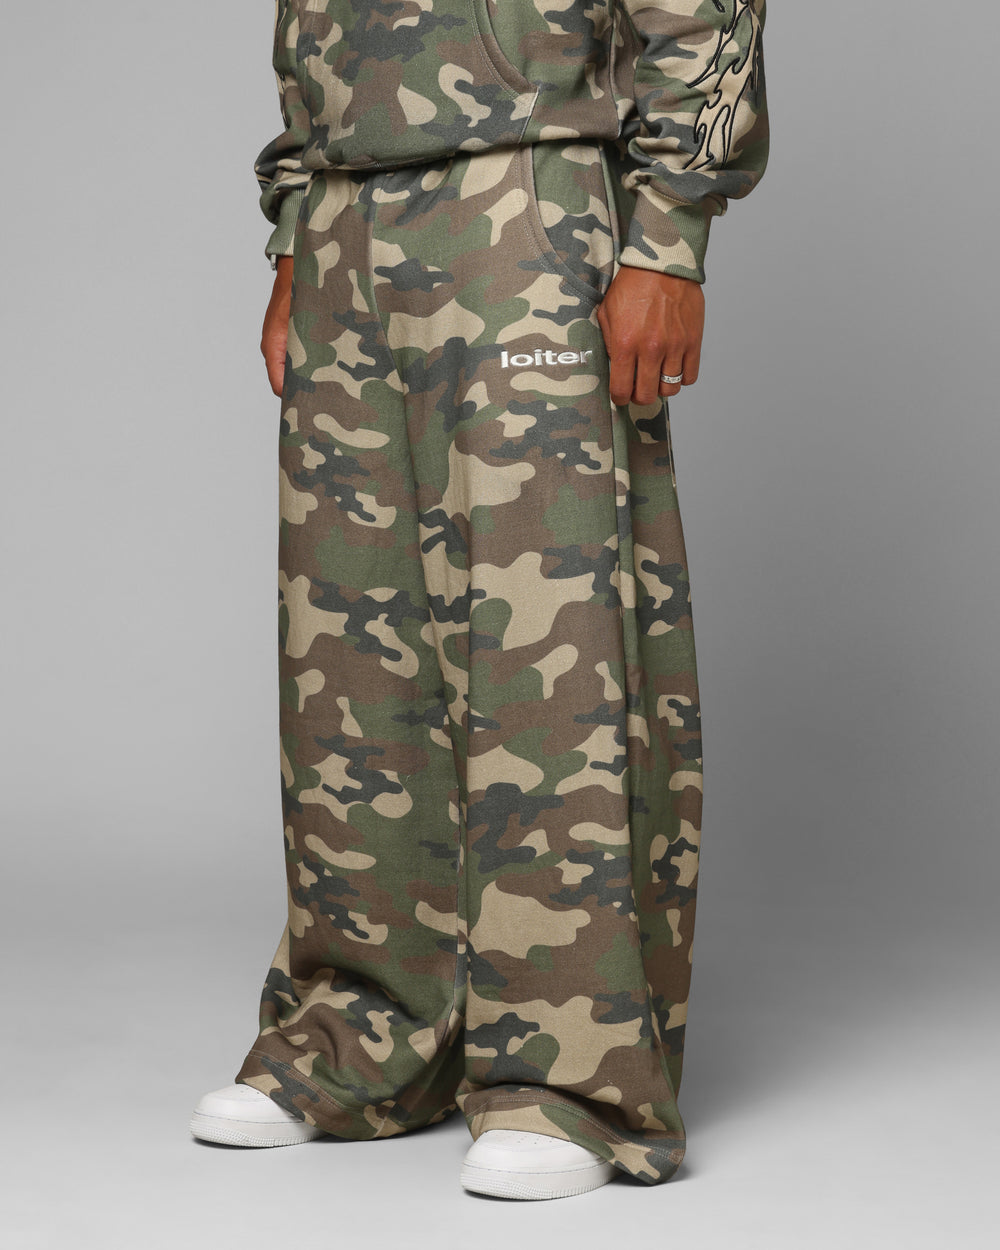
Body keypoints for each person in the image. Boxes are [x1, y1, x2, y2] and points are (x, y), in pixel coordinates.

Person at [190, 0, 769, 1200]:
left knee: (549, 626)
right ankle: (363, 1035)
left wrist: (666, 237)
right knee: (351, 649)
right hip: (348, 204)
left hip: (528, 193)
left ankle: (569, 1074)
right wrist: (297, 226)